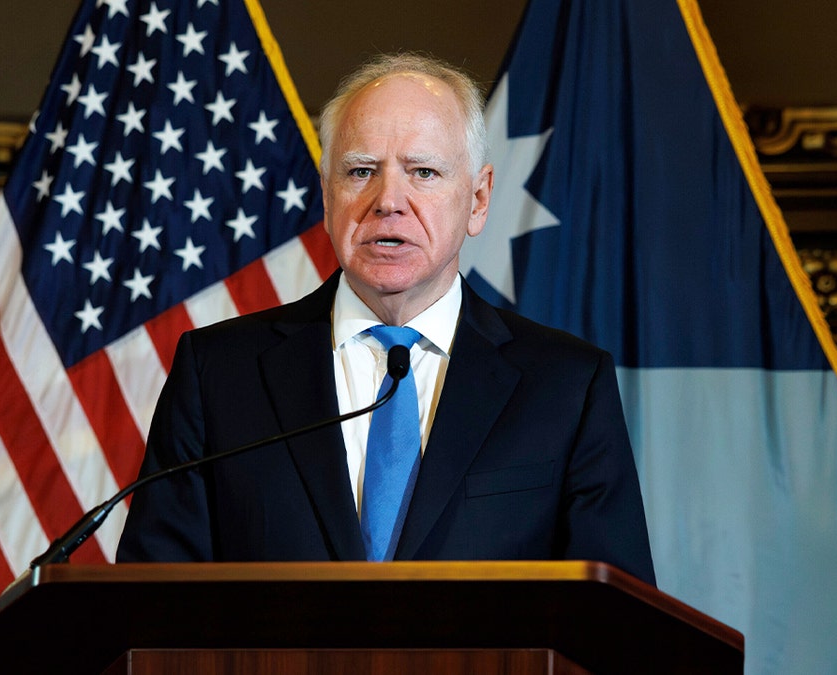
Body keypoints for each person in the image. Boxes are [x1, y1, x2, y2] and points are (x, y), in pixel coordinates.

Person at [116, 53, 656, 584]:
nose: (387, 201)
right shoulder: (218, 374)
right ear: (327, 197)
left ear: (478, 198)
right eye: (360, 171)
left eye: (423, 171)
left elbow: (618, 634)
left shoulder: (566, 386)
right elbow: (150, 609)